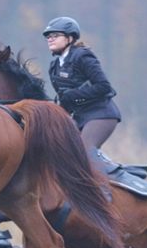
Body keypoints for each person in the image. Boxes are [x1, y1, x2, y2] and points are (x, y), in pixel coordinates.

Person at [44, 16, 123, 177]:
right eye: (48, 36)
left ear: (70, 38)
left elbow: (104, 86)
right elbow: (65, 100)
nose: (50, 39)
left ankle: (103, 193)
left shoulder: (82, 56)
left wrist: (72, 96)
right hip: (79, 117)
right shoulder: (54, 66)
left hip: (101, 115)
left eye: (55, 35)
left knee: (84, 153)